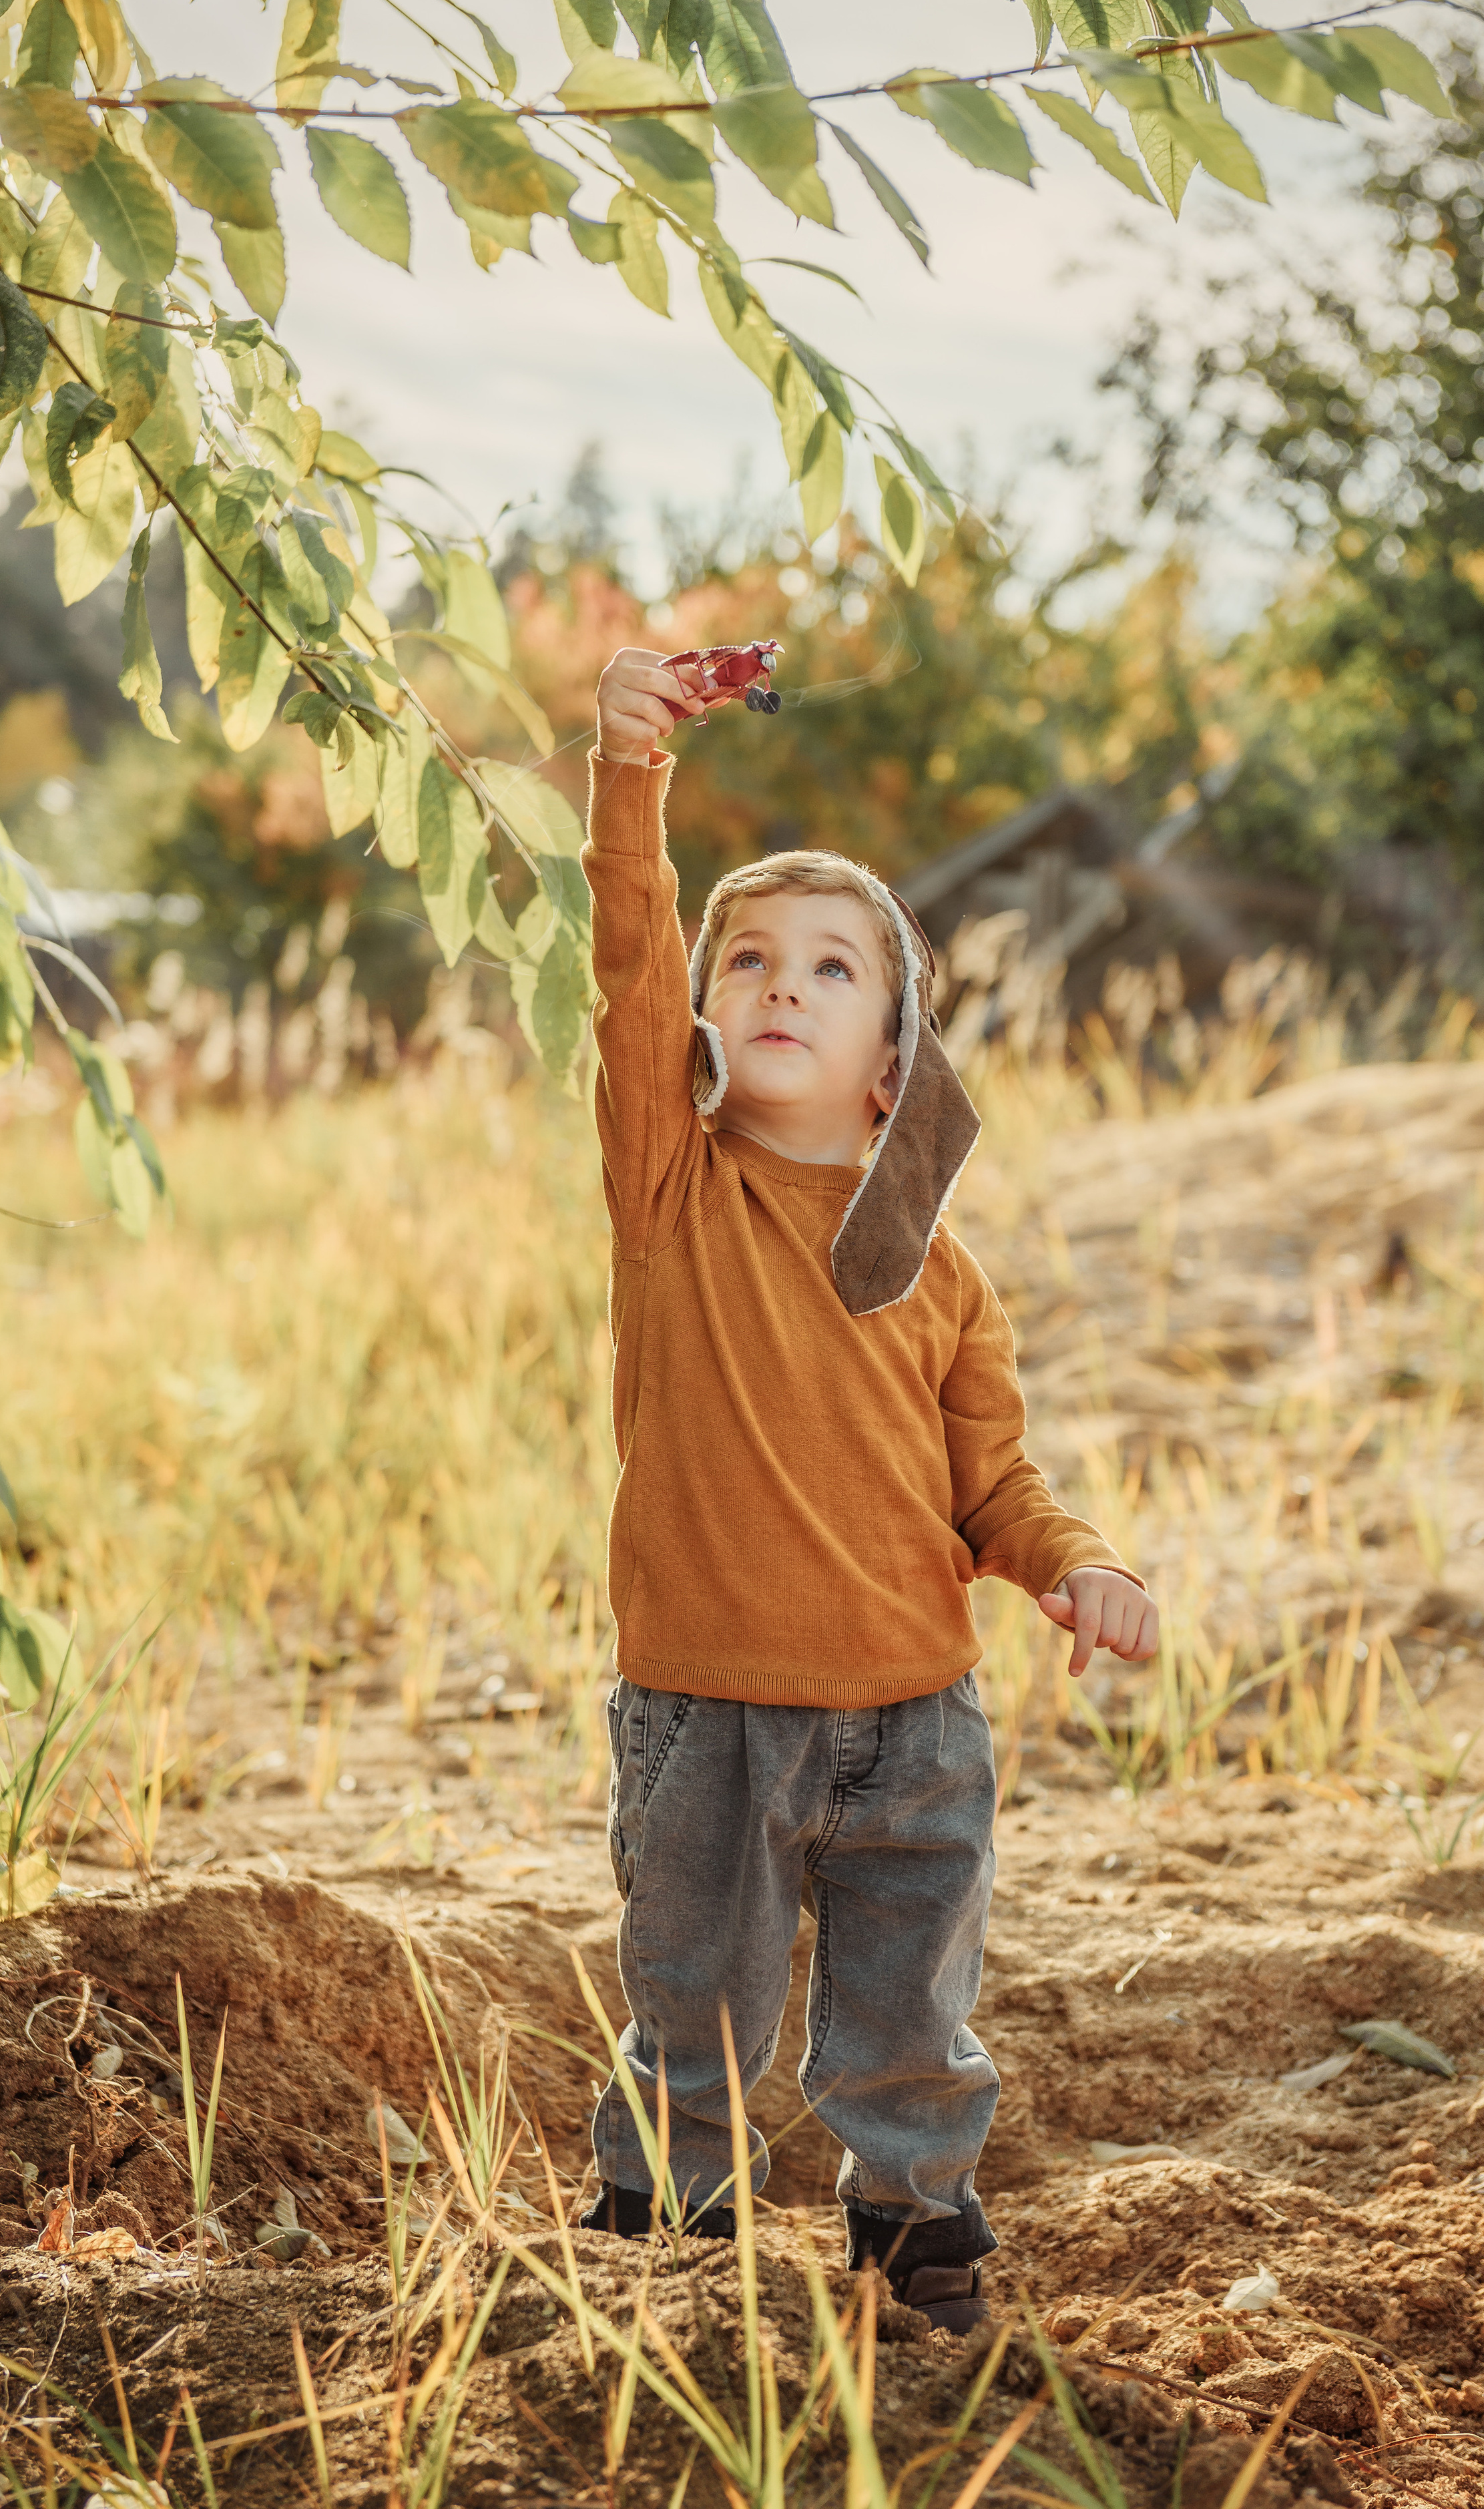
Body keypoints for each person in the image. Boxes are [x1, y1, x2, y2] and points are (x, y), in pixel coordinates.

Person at [577, 645, 1158, 2331]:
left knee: (910, 2007)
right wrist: (634, 779)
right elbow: (623, 973)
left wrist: (1078, 1562)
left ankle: (913, 2230)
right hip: (710, 1708)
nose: (775, 982)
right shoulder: (670, 1194)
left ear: (893, 1057)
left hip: (918, 1718)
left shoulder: (943, 1274)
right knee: (695, 1997)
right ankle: (661, 2245)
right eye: (744, 958)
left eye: (830, 968)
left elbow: (997, 1485)